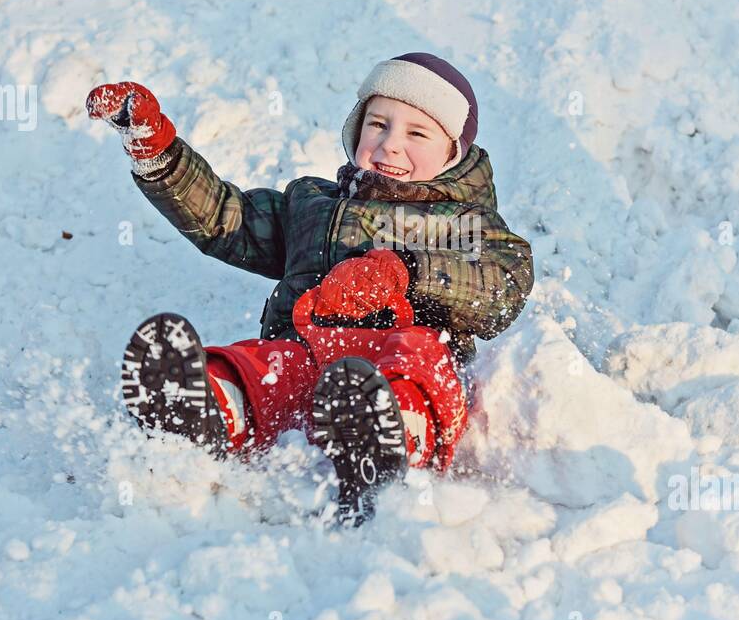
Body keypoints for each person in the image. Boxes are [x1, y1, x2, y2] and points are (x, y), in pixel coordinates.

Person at [86, 52, 534, 522]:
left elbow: (503, 285)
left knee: (419, 355)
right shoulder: (314, 207)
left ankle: (389, 433)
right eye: (377, 125)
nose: (389, 145)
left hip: (399, 360)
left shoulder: (464, 223)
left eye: (416, 133)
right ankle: (207, 407)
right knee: (268, 364)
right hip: (309, 356)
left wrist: (407, 270)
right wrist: (160, 156)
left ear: (453, 154)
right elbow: (226, 219)